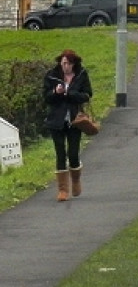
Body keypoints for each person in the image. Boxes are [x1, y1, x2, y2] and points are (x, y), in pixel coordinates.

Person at [42, 49, 93, 201]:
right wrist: (56, 92)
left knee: (73, 153)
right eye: (63, 63)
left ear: (74, 64)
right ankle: (63, 190)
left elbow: (87, 95)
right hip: (56, 121)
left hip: (75, 120)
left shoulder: (81, 75)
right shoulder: (51, 76)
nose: (66, 66)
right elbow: (46, 97)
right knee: (60, 154)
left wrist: (71, 93)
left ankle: (76, 180)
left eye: (69, 64)